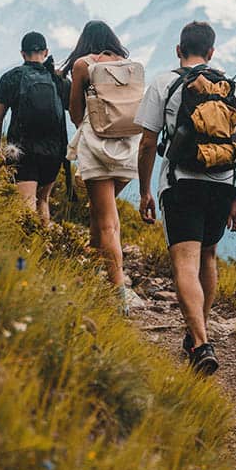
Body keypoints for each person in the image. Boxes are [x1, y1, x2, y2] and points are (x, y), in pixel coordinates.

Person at [135, 20, 236, 374]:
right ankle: (196, 335)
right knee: (208, 256)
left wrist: (145, 191)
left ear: (178, 50)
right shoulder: (233, 87)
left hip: (182, 183)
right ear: (212, 52)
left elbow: (147, 143)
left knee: (184, 263)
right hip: (222, 184)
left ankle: (202, 342)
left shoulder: (164, 83)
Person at [62, 21, 140, 314]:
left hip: (96, 146)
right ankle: (94, 258)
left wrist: (85, 125)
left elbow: (74, 110)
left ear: (85, 41)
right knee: (102, 211)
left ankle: (118, 290)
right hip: (128, 147)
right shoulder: (129, 65)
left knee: (107, 220)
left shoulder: (83, 65)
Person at [0, 31, 70, 224]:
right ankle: (44, 249)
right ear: (45, 52)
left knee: (25, 205)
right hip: (54, 151)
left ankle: (26, 250)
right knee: (43, 201)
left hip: (22, 150)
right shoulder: (59, 81)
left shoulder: (11, 77)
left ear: (22, 53)